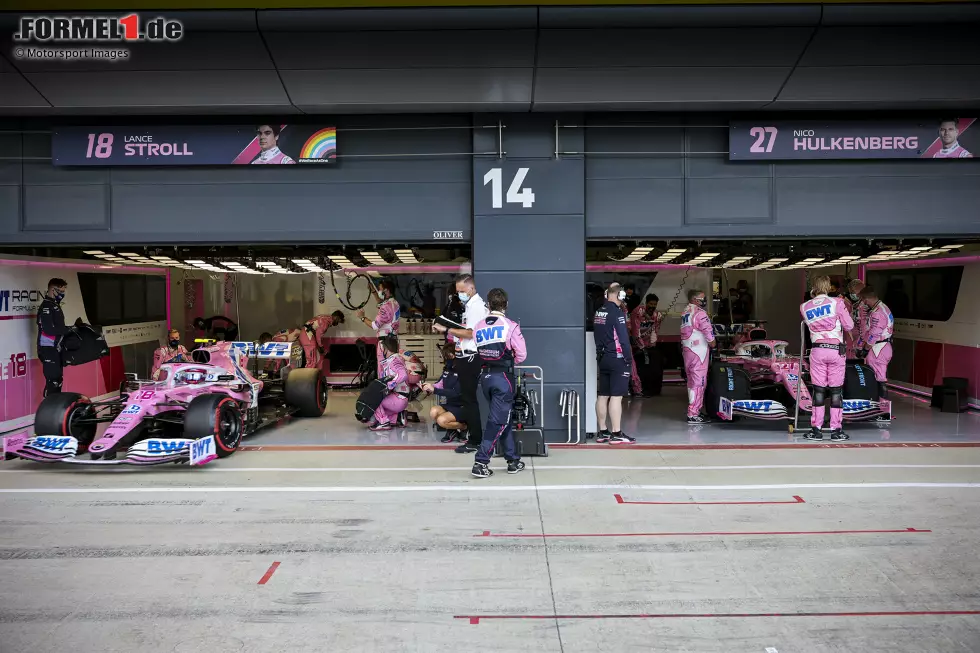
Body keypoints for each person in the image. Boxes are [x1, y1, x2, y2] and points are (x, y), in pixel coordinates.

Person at [470, 288, 528, 478]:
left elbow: (478, 349)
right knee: (497, 421)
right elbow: (522, 354)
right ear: (506, 305)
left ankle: (513, 460)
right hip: (503, 378)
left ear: (488, 305)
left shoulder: (478, 326)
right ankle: (481, 462)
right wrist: (508, 362)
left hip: (485, 378)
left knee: (504, 419)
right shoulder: (510, 326)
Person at [432, 274, 489, 454]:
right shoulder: (470, 306)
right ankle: (474, 437)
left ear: (471, 289)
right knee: (468, 399)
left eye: (462, 291)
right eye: (457, 292)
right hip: (466, 355)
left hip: (471, 357)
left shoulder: (476, 307)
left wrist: (446, 329)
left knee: (469, 401)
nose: (459, 295)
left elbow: (471, 333)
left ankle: (475, 439)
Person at [800, 276, 855, 441]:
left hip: (817, 351)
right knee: (836, 391)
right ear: (828, 287)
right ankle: (836, 430)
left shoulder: (804, 306)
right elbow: (850, 326)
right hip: (836, 351)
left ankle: (816, 430)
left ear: (814, 287)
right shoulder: (837, 303)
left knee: (818, 391)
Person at [593, 286, 636, 444]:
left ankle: (602, 431)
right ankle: (617, 433)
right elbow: (623, 339)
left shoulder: (599, 311)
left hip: (602, 357)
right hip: (617, 358)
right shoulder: (617, 313)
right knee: (616, 397)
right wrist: (628, 358)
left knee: (603, 395)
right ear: (620, 295)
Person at [680, 289, 716, 424]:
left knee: (691, 383)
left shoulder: (685, 311)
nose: (705, 300)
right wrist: (713, 342)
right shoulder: (700, 313)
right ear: (695, 299)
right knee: (699, 383)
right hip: (698, 352)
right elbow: (709, 333)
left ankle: (694, 411)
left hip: (687, 351)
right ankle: (693, 414)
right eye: (702, 298)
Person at [423, 342, 468, 443]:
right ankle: (452, 430)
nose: (444, 358)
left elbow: (456, 393)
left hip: (462, 406)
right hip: (450, 404)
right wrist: (429, 387)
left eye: (446, 355)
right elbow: (439, 384)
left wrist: (435, 390)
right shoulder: (448, 369)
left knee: (441, 421)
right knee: (433, 412)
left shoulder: (464, 371)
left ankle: (464, 427)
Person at [859, 285, 894, 413]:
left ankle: (884, 411)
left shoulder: (878, 313)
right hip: (882, 347)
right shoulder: (882, 307)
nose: (863, 302)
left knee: (880, 379)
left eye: (863, 300)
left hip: (879, 348)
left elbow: (874, 334)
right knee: (879, 378)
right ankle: (879, 409)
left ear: (867, 298)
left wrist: (866, 349)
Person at [356, 279, 400, 377]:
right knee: (392, 368)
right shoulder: (395, 303)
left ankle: (383, 390)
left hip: (384, 343)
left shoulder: (386, 307)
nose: (379, 291)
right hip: (393, 341)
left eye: (380, 289)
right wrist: (374, 292)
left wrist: (362, 317)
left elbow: (375, 325)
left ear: (386, 290)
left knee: (383, 371)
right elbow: (381, 303)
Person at [369, 335, 411, 432]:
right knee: (375, 416)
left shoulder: (394, 361)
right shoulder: (396, 358)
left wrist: (391, 384)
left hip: (398, 398)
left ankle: (384, 423)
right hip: (400, 398)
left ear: (386, 348)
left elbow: (403, 374)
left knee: (373, 399)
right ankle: (399, 417)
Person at [36, 278, 70, 397]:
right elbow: (48, 330)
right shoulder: (46, 306)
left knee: (58, 380)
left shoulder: (54, 305)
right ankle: (49, 410)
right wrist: (67, 330)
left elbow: (57, 327)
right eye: (60, 291)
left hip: (56, 348)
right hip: (48, 349)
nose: (62, 294)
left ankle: (54, 409)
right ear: (52, 289)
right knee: (53, 382)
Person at [629, 293, 664, 397]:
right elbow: (636, 332)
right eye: (651, 304)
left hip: (647, 344)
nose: (652, 306)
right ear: (646, 303)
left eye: (655, 304)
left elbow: (655, 331)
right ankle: (638, 388)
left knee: (655, 361)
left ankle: (653, 389)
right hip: (634, 344)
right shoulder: (638, 312)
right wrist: (642, 348)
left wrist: (651, 346)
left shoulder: (657, 315)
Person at [843, 278, 867, 359]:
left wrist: (859, 346)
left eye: (852, 292)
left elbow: (864, 329)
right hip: (856, 343)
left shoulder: (865, 306)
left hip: (862, 344)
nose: (851, 294)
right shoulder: (856, 305)